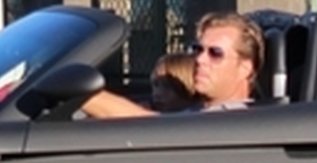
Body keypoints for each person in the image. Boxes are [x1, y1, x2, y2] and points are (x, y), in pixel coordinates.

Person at [81, 13, 262, 118]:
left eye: (215, 53)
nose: (199, 59)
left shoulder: (239, 120)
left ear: (245, 69)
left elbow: (155, 129)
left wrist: (79, 94)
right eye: (198, 49)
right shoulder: (198, 109)